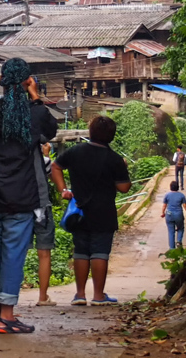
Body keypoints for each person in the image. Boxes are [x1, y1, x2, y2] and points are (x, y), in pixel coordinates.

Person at [0, 58, 62, 334]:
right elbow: (51, 131)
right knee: (13, 255)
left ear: (1, 78)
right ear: (27, 81)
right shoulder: (32, 114)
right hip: (21, 198)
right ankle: (7, 318)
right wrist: (34, 98)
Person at [51, 116, 131, 306]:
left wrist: (64, 190)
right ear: (111, 136)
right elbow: (124, 188)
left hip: (79, 211)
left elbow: (55, 166)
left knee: (81, 251)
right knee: (100, 253)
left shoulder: (76, 151)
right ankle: (98, 295)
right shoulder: (114, 159)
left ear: (91, 131)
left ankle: (79, 295)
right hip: (104, 212)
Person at [34, 142, 64, 307]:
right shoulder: (40, 158)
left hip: (19, 208)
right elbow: (47, 171)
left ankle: (9, 296)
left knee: (14, 251)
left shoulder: (14, 154)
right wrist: (46, 155)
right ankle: (42, 296)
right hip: (41, 208)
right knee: (44, 254)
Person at [161, 181, 186, 249]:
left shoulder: (167, 195)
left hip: (169, 214)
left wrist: (162, 213)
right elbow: (185, 205)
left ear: (170, 187)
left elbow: (164, 206)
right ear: (178, 187)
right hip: (178, 215)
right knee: (180, 228)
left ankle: (172, 249)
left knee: (171, 232)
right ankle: (179, 241)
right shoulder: (181, 195)